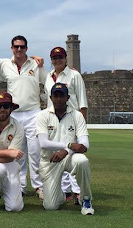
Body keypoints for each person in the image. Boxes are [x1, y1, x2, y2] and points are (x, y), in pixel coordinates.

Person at [0, 35, 47, 199]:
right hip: (15, 114)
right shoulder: (5, 65)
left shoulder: (36, 64)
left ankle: (38, 186)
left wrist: (70, 70)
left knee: (35, 152)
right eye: (16, 47)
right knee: (17, 153)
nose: (19, 49)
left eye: (22, 47)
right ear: (12, 48)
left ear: (26, 48)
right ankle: (19, 186)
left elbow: (47, 83)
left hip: (34, 112)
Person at [36, 83, 94, 215]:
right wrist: (68, 145)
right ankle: (60, 196)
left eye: (61, 96)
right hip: (50, 161)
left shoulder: (77, 115)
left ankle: (86, 199)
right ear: (51, 98)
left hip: (69, 158)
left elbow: (84, 144)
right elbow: (43, 143)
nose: (58, 99)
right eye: (55, 96)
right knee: (50, 206)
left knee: (82, 161)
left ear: (67, 97)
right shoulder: (43, 115)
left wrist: (66, 151)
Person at [45, 46, 88, 204]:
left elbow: (82, 101)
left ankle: (77, 191)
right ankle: (65, 190)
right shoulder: (48, 77)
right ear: (51, 60)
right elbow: (47, 101)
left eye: (60, 57)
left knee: (74, 154)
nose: (58, 60)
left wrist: (82, 122)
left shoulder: (74, 75)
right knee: (58, 153)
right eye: (55, 58)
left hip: (73, 118)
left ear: (65, 59)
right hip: (55, 119)